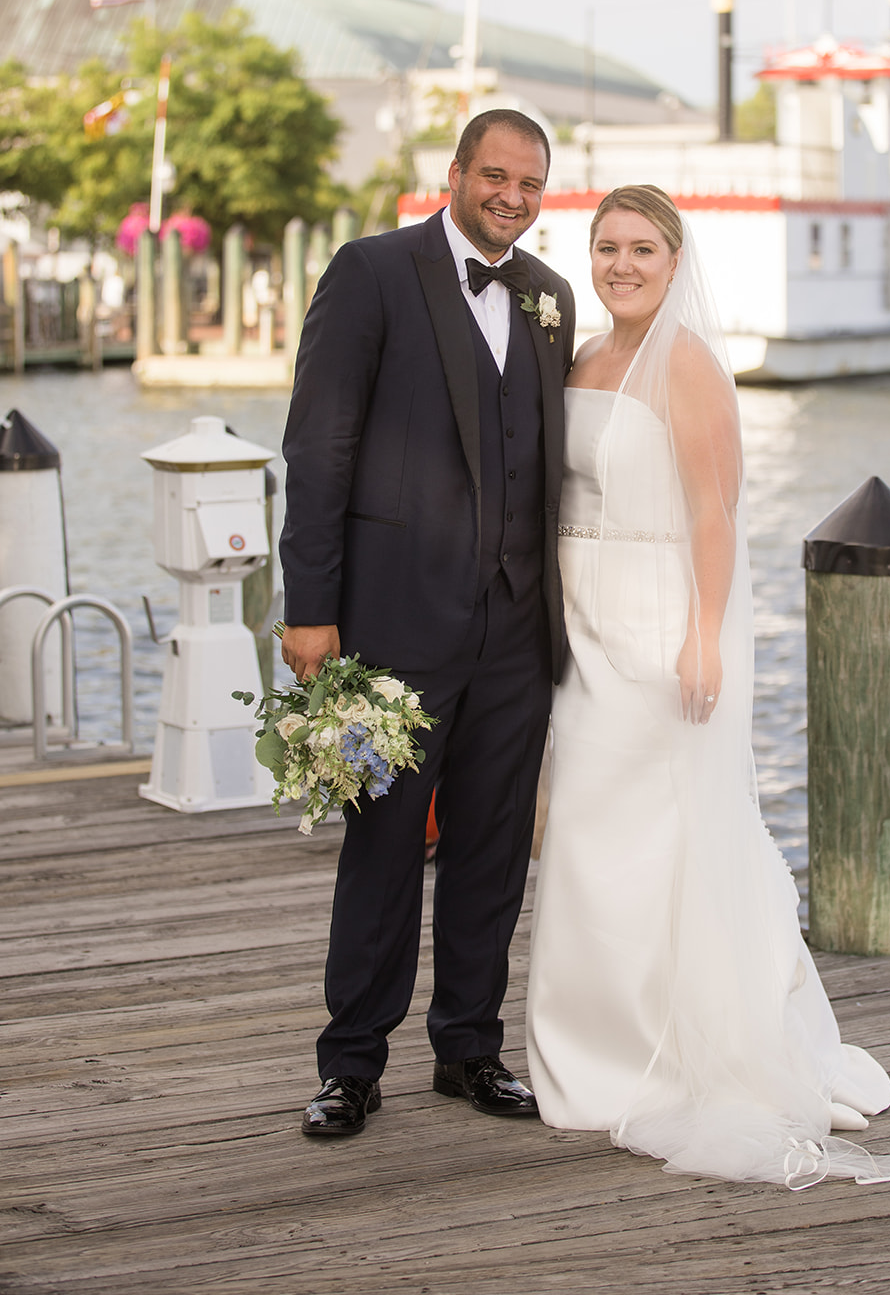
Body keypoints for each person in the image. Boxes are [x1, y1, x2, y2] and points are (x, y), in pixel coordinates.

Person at [526, 185, 890, 1189]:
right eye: (606, 247)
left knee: (664, 834)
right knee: (582, 834)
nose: (620, 265)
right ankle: (591, 1049)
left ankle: (675, 1050)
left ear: (672, 257)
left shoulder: (688, 365)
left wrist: (702, 635)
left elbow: (714, 511)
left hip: (659, 622)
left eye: (641, 249)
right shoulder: (581, 360)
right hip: (581, 624)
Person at [280, 110, 575, 1139]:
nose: (511, 195)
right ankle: (350, 1065)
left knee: (493, 847)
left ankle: (467, 1048)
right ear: (454, 174)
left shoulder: (547, 298)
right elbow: (317, 449)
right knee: (385, 844)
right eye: (494, 175)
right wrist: (307, 608)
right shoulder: (370, 273)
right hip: (392, 624)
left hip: (514, 628)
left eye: (530, 182)